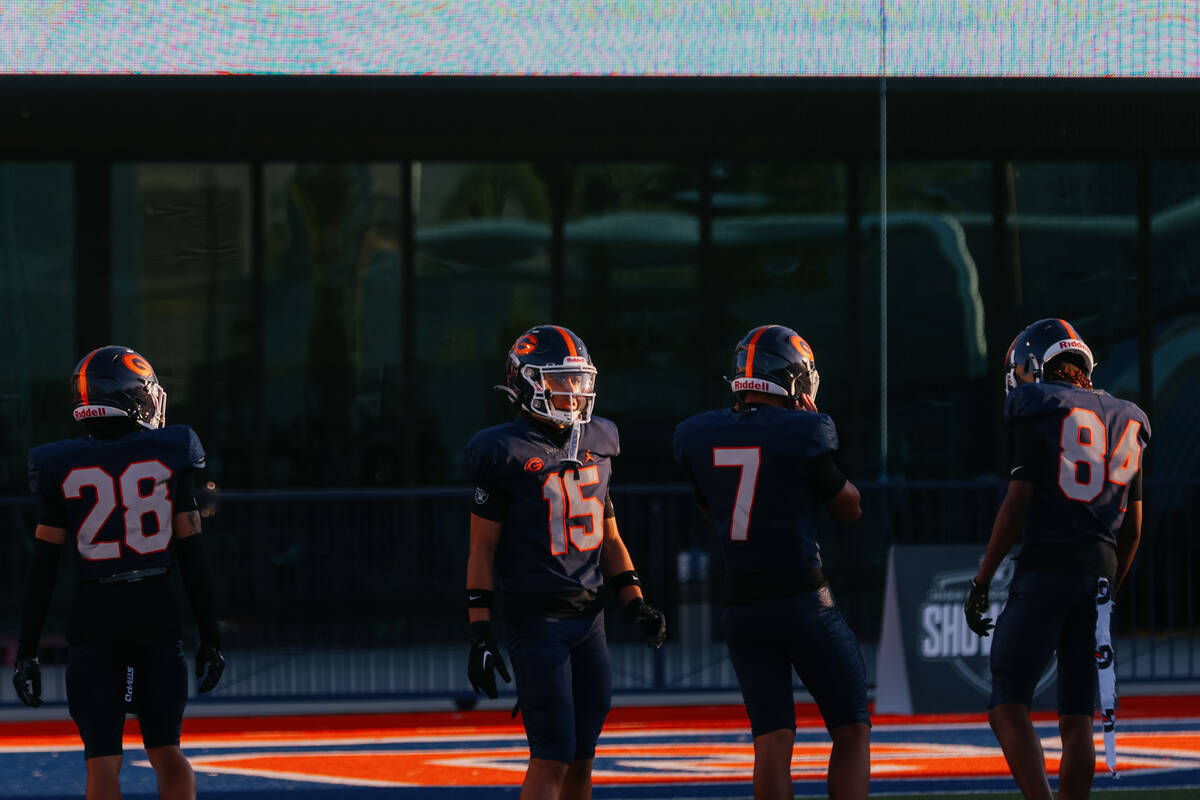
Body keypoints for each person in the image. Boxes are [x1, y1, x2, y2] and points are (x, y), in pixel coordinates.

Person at [12, 345, 226, 800]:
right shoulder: (171, 450)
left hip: (96, 619)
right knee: (167, 752)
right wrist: (211, 635)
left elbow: (44, 567)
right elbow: (192, 554)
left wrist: (27, 649)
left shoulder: (60, 463)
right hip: (155, 613)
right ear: (135, 395)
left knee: (102, 763)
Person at [464, 324, 667, 800]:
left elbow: (609, 535)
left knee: (583, 756)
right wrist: (479, 633)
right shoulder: (503, 452)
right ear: (526, 382)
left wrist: (635, 601)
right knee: (551, 755)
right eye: (560, 379)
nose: (573, 392)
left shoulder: (600, 440)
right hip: (537, 622)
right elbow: (481, 551)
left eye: (578, 379)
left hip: (590, 619)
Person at [673, 324, 870, 800]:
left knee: (773, 741)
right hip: (803, 600)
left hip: (742, 605)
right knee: (851, 729)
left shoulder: (699, 434)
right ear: (792, 379)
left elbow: (711, 508)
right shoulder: (804, 430)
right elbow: (850, 508)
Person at [963, 318, 1150, 800]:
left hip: (1047, 566)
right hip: (1101, 570)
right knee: (1077, 720)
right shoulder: (1128, 416)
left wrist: (983, 579)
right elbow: (1132, 528)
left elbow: (1017, 502)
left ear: (1033, 365)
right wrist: (1112, 587)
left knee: (1007, 704)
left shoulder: (1038, 405)